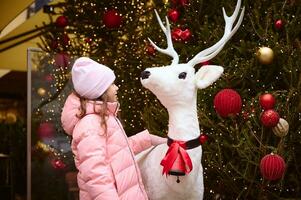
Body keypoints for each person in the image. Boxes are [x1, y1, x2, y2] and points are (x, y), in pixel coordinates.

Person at [61, 57, 166, 200]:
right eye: (112, 84)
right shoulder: (91, 124)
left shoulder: (103, 118)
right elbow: (96, 176)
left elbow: (116, 151)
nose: (117, 88)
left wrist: (148, 139)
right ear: (100, 90)